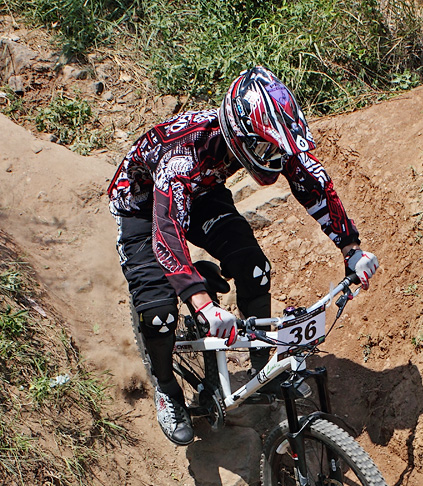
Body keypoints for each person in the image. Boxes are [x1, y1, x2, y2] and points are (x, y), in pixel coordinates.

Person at [108, 65, 378, 446]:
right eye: (263, 148)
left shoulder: (256, 139)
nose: (270, 156)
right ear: (238, 134)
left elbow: (312, 184)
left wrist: (351, 248)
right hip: (141, 204)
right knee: (158, 311)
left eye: (273, 148)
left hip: (202, 192)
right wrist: (201, 304)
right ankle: (167, 390)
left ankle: (259, 366)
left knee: (254, 269)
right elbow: (165, 233)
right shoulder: (181, 155)